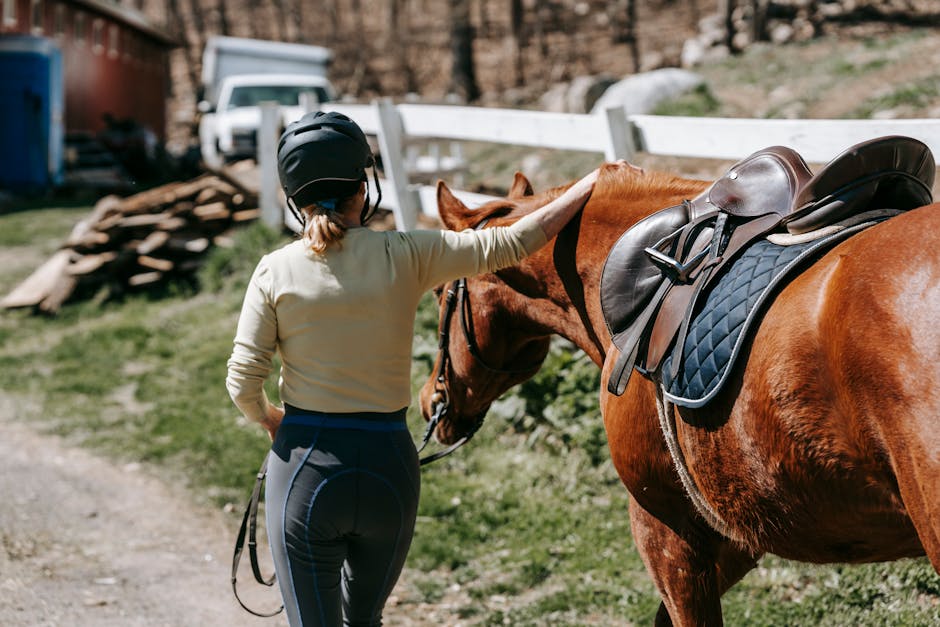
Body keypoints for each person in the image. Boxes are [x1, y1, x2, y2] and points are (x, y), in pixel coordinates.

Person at [225, 110, 600, 627]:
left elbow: (243, 380)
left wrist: (271, 420)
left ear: (295, 198)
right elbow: (512, 243)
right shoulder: (406, 254)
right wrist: (592, 183)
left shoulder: (275, 270)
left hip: (307, 468)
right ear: (364, 187)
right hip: (389, 469)